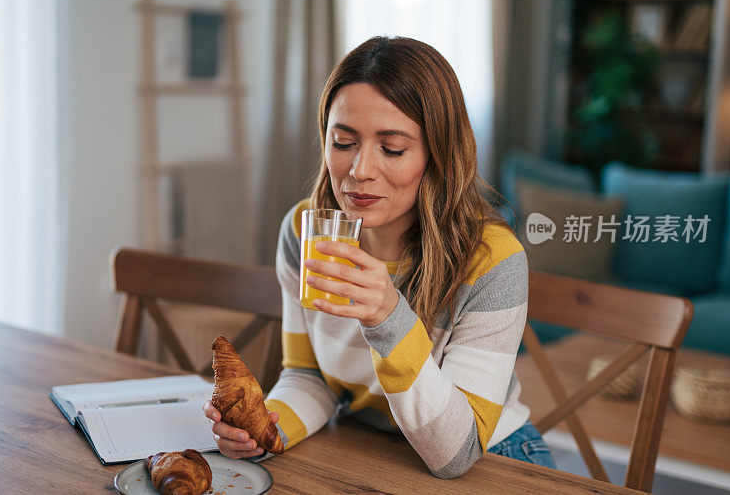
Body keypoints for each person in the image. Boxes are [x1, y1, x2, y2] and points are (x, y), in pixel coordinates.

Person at [203, 36, 556, 478]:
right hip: (366, 447)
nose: (360, 170)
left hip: (492, 460)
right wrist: (267, 433)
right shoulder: (304, 232)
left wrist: (389, 318)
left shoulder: (492, 261)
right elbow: (309, 376)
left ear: (438, 154)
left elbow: (456, 454)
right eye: (343, 142)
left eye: (392, 148)